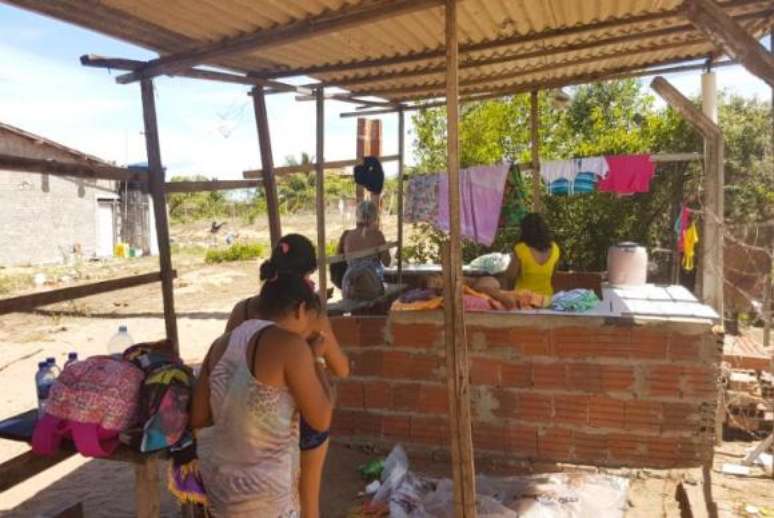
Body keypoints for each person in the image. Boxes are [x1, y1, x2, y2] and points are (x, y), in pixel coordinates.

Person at [223, 234, 349, 518]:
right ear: (309, 272)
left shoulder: (242, 310)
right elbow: (341, 369)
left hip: (245, 421)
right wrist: (316, 355)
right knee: (306, 501)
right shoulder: (308, 312)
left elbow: (225, 361)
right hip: (295, 422)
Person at [191, 266, 333, 517]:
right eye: (311, 319)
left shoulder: (220, 345)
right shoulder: (291, 345)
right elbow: (321, 420)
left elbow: (198, 417)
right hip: (267, 499)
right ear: (301, 309)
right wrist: (318, 361)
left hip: (222, 494)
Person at [339, 200, 391, 300]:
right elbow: (387, 262)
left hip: (348, 285)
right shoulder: (377, 235)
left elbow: (347, 262)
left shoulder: (348, 235)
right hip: (371, 285)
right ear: (375, 216)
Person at [504, 212, 560, 297]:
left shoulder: (521, 249)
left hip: (523, 300)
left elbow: (511, 276)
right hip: (546, 300)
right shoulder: (555, 248)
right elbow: (553, 275)